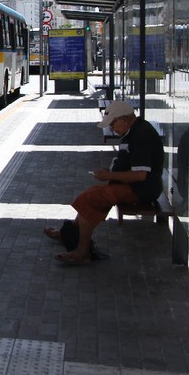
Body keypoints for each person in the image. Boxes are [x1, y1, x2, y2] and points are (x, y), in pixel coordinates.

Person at [45, 100, 164, 265]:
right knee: (92, 196)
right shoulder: (132, 131)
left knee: (91, 199)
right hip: (135, 186)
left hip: (142, 189)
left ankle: (82, 251)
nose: (113, 129)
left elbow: (140, 176)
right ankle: (69, 233)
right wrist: (110, 174)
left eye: (114, 124)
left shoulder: (142, 136)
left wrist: (110, 175)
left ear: (125, 119)